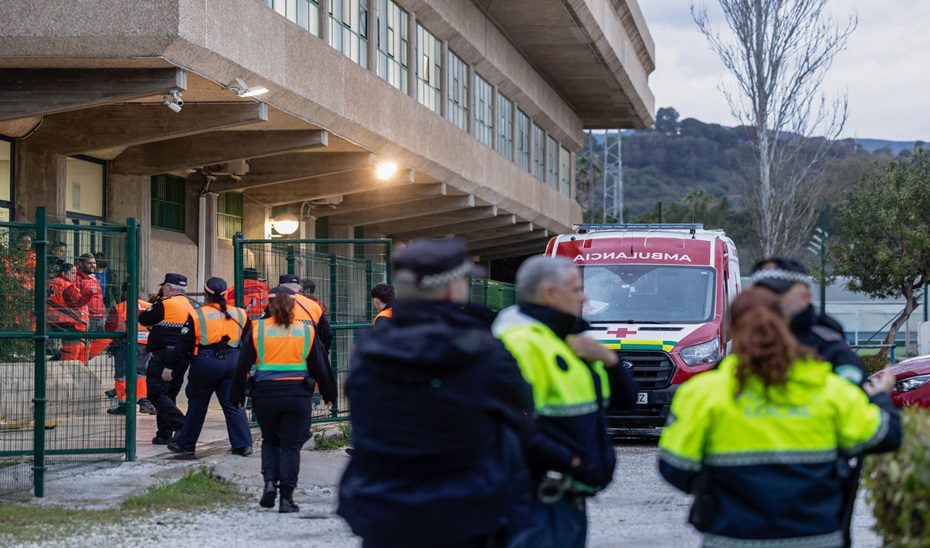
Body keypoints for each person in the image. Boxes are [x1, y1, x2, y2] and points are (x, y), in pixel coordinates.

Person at [658, 288, 901, 548]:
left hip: (730, 538)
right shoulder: (829, 389)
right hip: (817, 539)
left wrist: (716, 493)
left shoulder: (702, 394)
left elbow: (675, 467)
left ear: (731, 331)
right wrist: (879, 398)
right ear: (786, 326)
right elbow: (886, 436)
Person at [338, 239, 536, 547]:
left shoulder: (370, 350)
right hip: (466, 513)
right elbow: (522, 415)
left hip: (385, 510)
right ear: (451, 289)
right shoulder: (484, 351)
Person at [492, 255, 637, 548]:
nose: (584, 297)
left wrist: (611, 361)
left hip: (567, 498)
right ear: (549, 293)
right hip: (537, 498)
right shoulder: (521, 343)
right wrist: (571, 461)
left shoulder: (567, 339)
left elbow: (626, 400)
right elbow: (511, 424)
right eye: (576, 289)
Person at [750, 257, 871, 547]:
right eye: (761, 293)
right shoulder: (744, 344)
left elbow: (857, 412)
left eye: (778, 292)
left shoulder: (828, 342)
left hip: (815, 499)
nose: (769, 302)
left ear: (804, 296)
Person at [231, 287, 336, 513]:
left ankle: (269, 483)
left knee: (270, 441)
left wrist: (237, 395)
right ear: (294, 306)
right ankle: (286, 498)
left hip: (265, 395)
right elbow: (320, 366)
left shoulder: (258, 330)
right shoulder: (306, 332)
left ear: (269, 306)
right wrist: (329, 395)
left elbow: (241, 366)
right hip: (297, 395)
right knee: (290, 446)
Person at [164, 277, 253, 457]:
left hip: (205, 362)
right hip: (233, 362)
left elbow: (183, 345)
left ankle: (186, 444)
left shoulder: (198, 314)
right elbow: (251, 340)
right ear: (227, 294)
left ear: (205, 294)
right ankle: (243, 445)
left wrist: (172, 367)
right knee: (234, 404)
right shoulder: (240, 314)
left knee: (197, 405)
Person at [139, 273, 195, 445]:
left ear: (169, 288)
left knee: (155, 393)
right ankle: (164, 434)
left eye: (164, 287)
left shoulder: (165, 304)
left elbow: (143, 318)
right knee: (169, 394)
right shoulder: (190, 307)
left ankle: (183, 425)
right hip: (182, 356)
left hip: (164, 355)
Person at [104, 282, 156, 415]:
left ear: (124, 293)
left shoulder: (119, 308)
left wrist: (110, 343)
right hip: (144, 344)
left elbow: (109, 328)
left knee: (122, 375)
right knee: (141, 372)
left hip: (123, 344)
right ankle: (144, 402)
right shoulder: (148, 306)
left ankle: (124, 405)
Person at [264, 274, 333, 351]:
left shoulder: (274, 304)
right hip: (308, 352)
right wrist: (322, 353)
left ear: (279, 287)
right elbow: (327, 334)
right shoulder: (314, 305)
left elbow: (263, 328)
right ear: (300, 288)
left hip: (278, 350)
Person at [47, 262, 94, 362]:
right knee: (73, 350)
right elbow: (76, 303)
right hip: (67, 321)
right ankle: (60, 369)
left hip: (53, 321)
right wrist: (89, 294)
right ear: (64, 274)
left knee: (77, 347)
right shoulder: (67, 286)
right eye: (72, 273)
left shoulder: (52, 283)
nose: (74, 276)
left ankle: (54, 363)